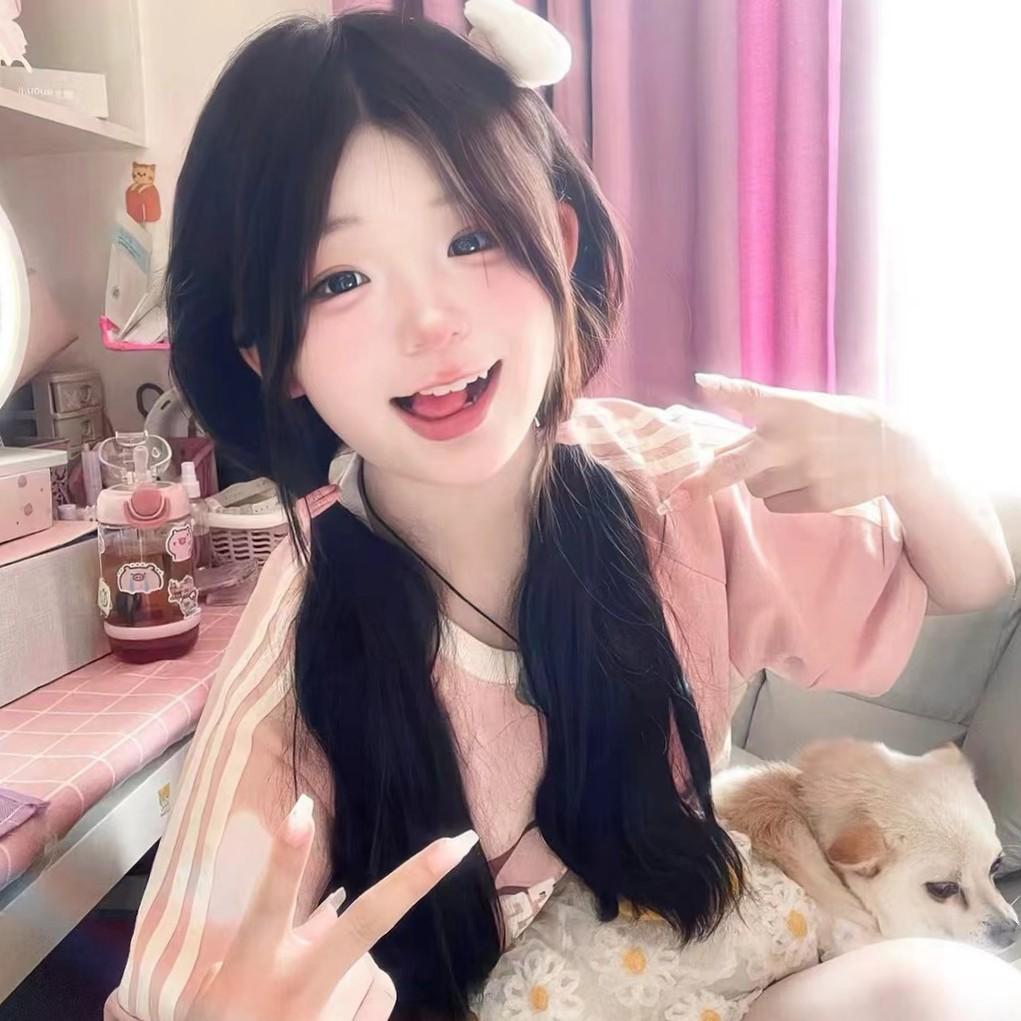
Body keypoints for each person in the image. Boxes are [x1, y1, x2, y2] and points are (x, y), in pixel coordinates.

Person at [105, 4, 1020, 1020]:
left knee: (951, 992)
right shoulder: (297, 647)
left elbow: (969, 580)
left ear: (559, 235)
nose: (432, 321)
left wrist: (904, 457)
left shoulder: (672, 487)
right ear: (269, 357)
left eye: (471, 236)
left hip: (703, 964)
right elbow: (180, 983)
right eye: (342, 278)